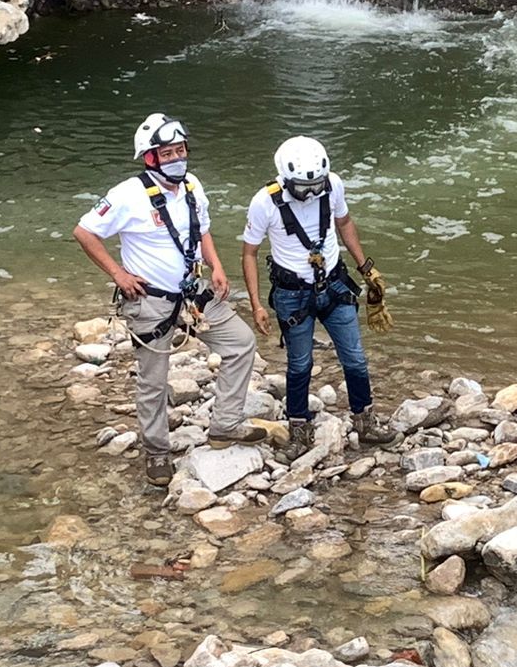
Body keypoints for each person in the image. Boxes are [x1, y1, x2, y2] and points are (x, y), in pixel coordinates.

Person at [74, 113, 268, 486]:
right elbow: (84, 232)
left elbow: (202, 230)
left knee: (241, 344)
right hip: (150, 300)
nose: (178, 158)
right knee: (153, 379)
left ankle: (225, 425)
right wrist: (119, 274)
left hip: (194, 292)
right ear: (150, 158)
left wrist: (216, 266)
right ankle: (157, 451)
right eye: (168, 153)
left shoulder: (192, 186)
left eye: (181, 150)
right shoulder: (127, 195)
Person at [240, 136, 397, 456]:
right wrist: (257, 305)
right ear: (285, 179)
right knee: (300, 363)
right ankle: (299, 427)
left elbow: (345, 222)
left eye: (317, 187)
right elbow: (249, 253)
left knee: (354, 356)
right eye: (302, 188)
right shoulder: (264, 203)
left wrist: (366, 268)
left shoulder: (333, 186)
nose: (311, 194)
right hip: (292, 294)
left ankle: (365, 420)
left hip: (335, 285)